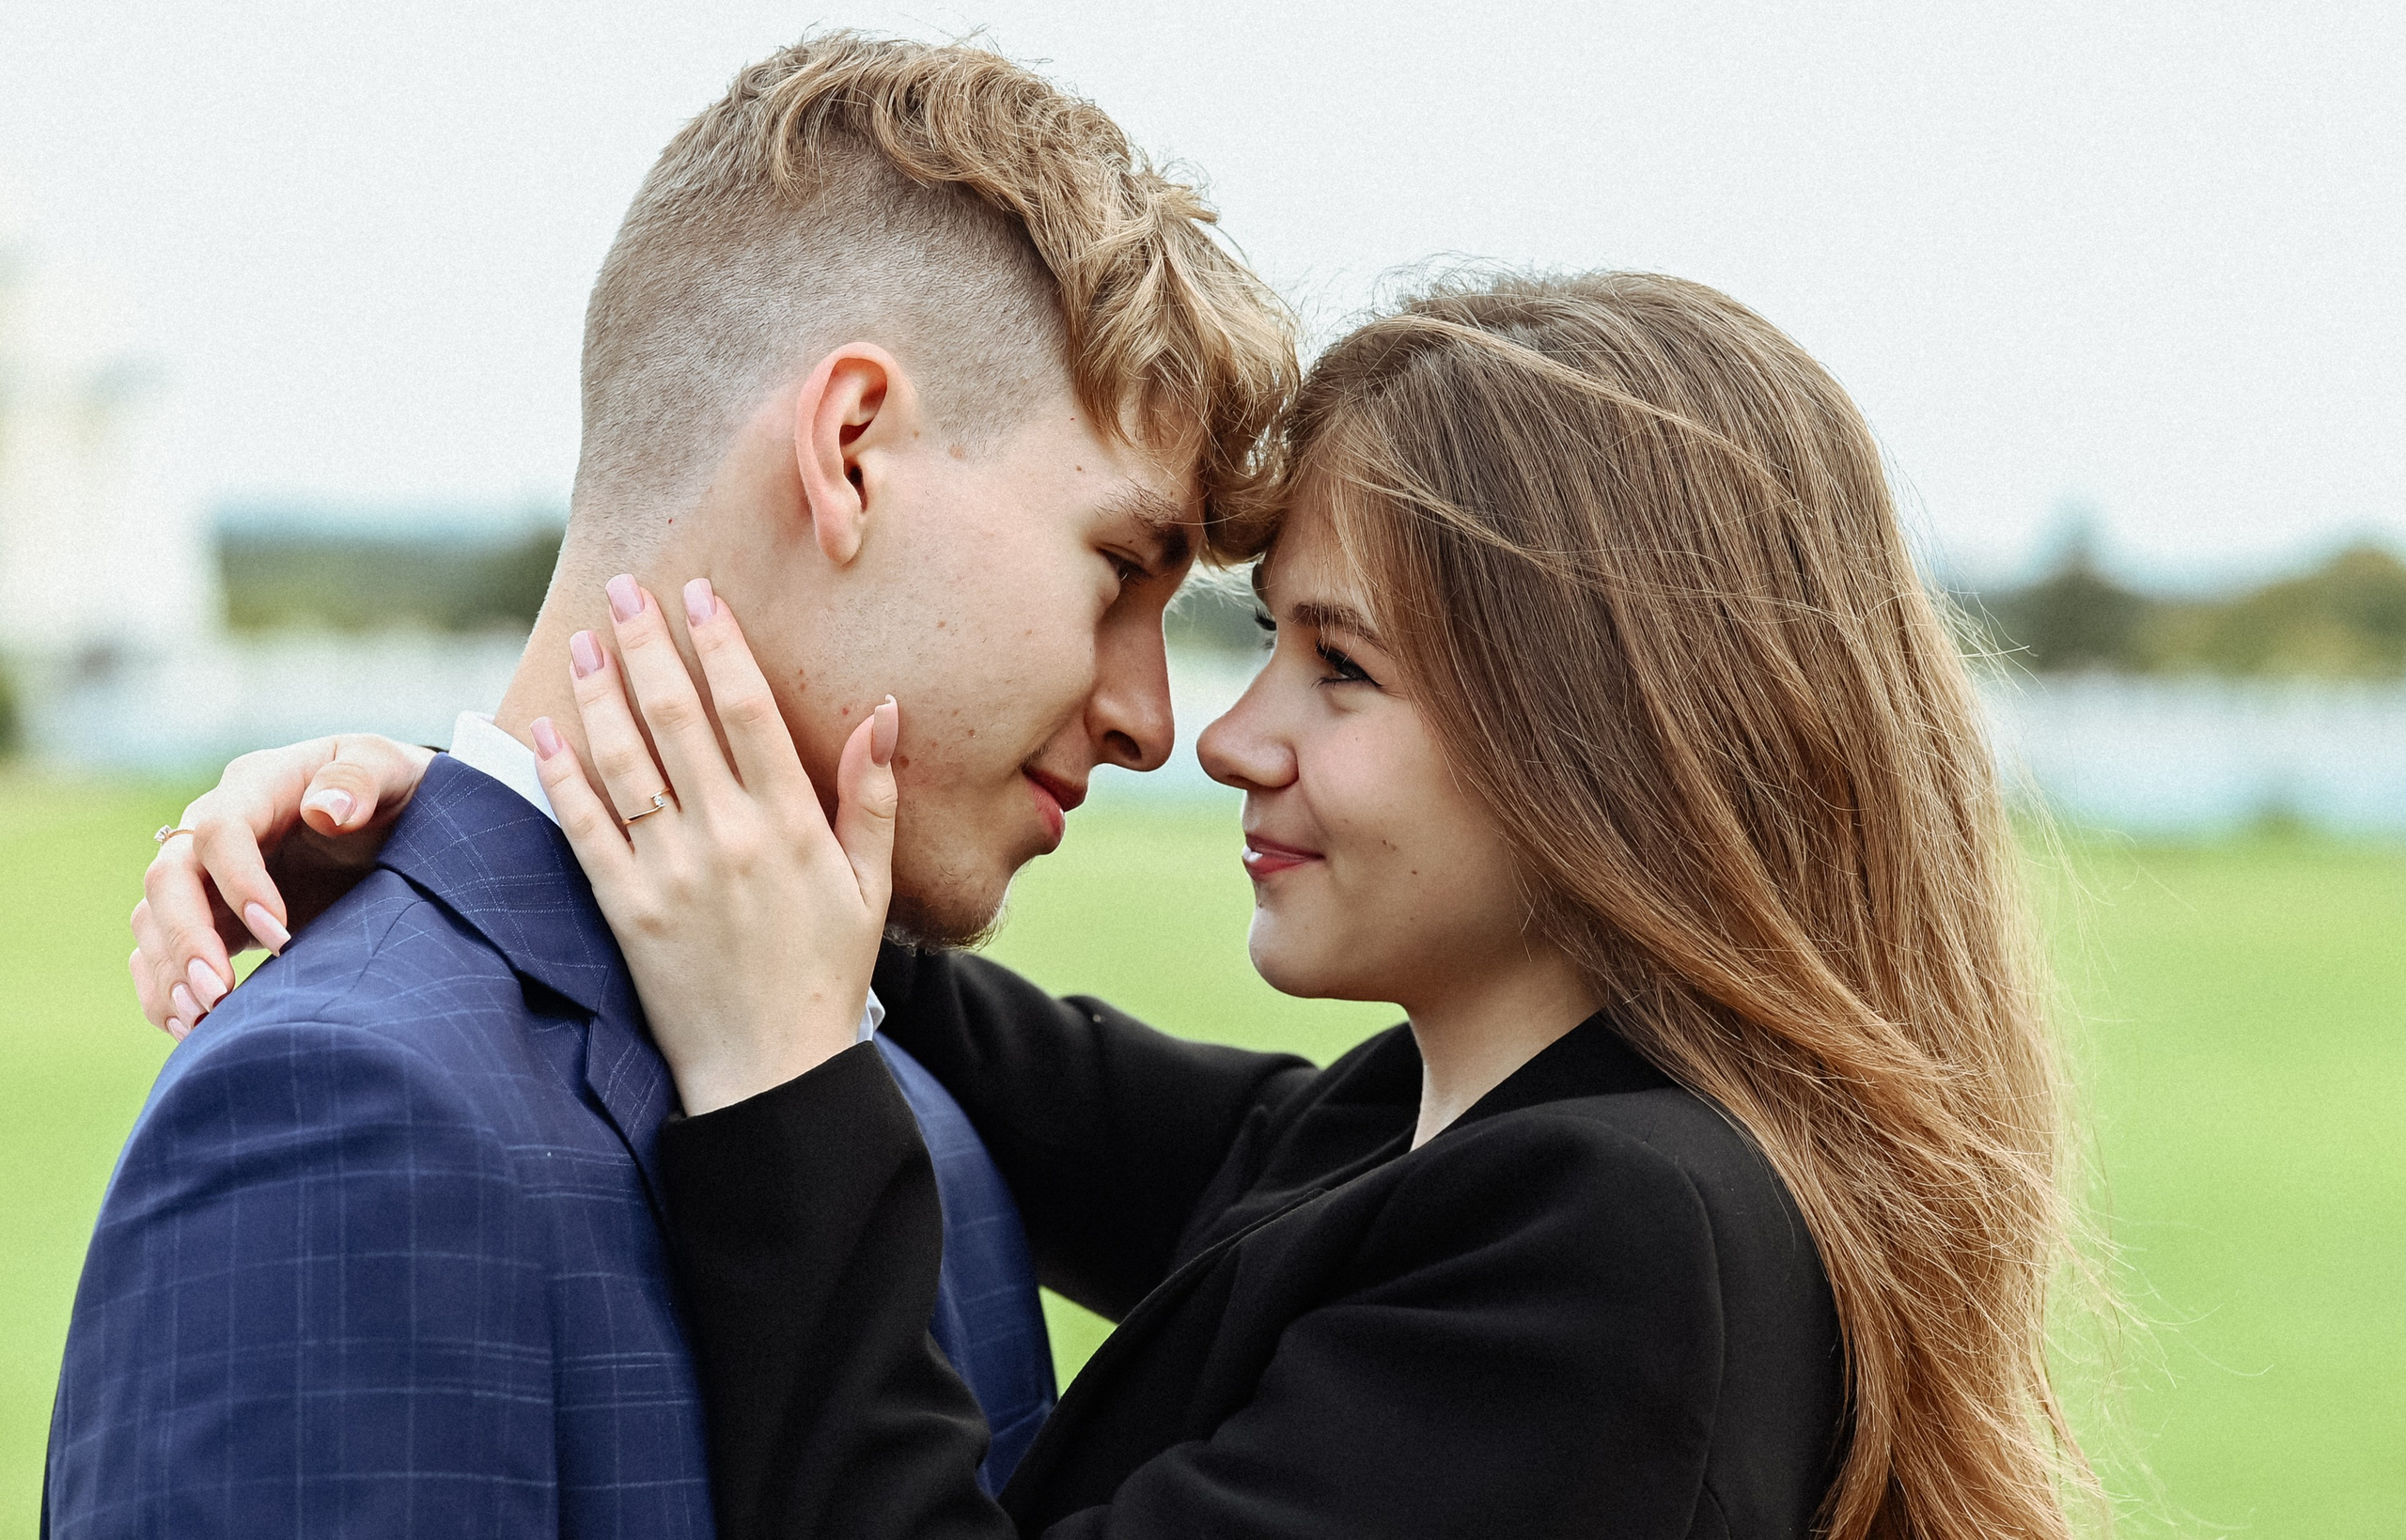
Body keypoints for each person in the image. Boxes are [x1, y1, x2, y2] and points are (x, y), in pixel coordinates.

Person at [133, 272, 2096, 1538]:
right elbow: (992, 1041)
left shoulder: (1624, 1237)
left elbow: (836, 1041)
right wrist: (520, 800)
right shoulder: (1407, 1133)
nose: (1222, 734)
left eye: (1337, 666)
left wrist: (773, 1069)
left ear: (1602, 739)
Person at [50, 32, 1295, 1538]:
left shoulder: (876, 1095)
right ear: (847, 450)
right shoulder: (347, 1111)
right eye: (1117, 570)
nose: (1154, 719)